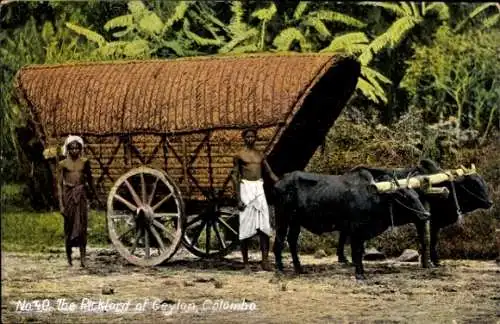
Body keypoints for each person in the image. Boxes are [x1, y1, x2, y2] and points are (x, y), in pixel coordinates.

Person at [232, 128, 279, 272]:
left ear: (255, 138)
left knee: (264, 226)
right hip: (246, 189)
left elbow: (269, 173)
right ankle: (246, 264)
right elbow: (235, 177)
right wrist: (238, 199)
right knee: (245, 227)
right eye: (248, 137)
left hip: (259, 190)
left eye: (253, 136)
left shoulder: (260, 155)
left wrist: (281, 182)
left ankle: (264, 261)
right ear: (244, 138)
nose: (250, 139)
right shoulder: (239, 155)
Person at [57, 135, 97, 267]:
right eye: (72, 148)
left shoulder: (85, 162)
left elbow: (90, 181)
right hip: (68, 196)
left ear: (80, 149)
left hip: (81, 197)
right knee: (68, 226)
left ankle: (83, 258)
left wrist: (93, 195)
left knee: (82, 227)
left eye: (77, 148)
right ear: (67, 149)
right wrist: (61, 205)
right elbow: (59, 185)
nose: (74, 150)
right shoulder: (62, 164)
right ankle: (69, 257)